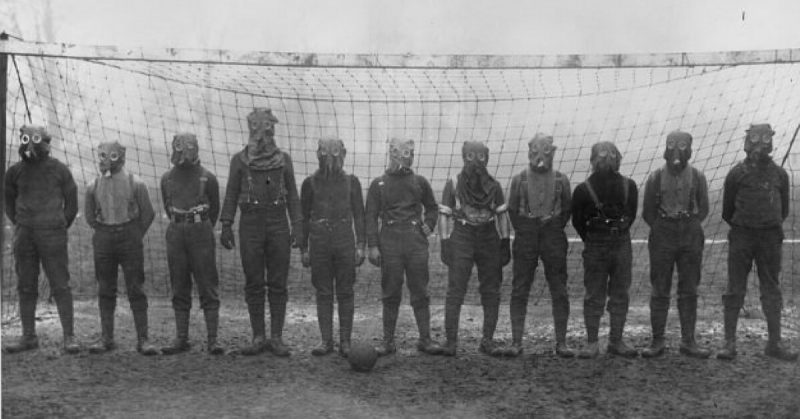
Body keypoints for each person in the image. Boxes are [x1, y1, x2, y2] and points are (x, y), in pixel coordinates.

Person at [220, 108, 302, 357]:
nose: (265, 134)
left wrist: (297, 224)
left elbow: (293, 195)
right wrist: (226, 223)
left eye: (269, 128)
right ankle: (258, 336)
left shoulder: (284, 160)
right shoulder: (240, 161)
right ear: (251, 130)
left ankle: (276, 338)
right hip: (251, 224)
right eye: (260, 129)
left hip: (278, 223)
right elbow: (232, 193)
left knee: (278, 281)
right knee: (254, 281)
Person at [717, 124, 797, 361]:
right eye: (754, 138)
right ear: (747, 141)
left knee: (771, 288)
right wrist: (745, 225)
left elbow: (783, 210)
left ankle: (774, 343)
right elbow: (727, 210)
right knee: (735, 288)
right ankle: (729, 343)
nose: (759, 144)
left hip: (770, 238)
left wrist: (765, 226)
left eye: (764, 139)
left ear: (771, 141)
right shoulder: (736, 173)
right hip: (742, 236)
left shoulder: (779, 174)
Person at [3, 125, 80, 354]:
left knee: (60, 284)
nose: (30, 145)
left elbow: (72, 203)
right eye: (26, 140)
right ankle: (28, 337)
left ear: (46, 142)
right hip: (25, 235)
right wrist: (22, 223)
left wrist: (58, 224)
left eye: (35, 140)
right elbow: (9, 204)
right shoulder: (14, 172)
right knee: (26, 285)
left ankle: (69, 337)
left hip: (52, 235)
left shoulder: (60, 170)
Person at [365, 138, 443, 356]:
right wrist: (373, 245)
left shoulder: (419, 182)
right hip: (389, 240)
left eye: (410, 153)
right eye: (401, 153)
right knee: (390, 291)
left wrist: (428, 225)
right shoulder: (378, 184)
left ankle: (425, 339)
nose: (406, 157)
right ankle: (388, 342)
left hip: (415, 242)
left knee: (420, 290)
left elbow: (432, 207)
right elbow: (370, 216)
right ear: (392, 154)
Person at [641, 131, 711, 358]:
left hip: (690, 233)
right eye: (672, 145)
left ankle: (689, 341)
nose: (676, 151)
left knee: (689, 288)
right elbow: (647, 213)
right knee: (660, 288)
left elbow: (704, 209)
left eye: (682, 145)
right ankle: (657, 341)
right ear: (666, 148)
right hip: (663, 232)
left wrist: (688, 223)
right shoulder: (655, 177)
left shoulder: (698, 177)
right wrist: (664, 226)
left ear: (689, 148)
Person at [438, 141, 511, 357]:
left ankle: (487, 340)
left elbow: (502, 215)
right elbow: (444, 213)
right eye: (470, 156)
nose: (476, 162)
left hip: (488, 236)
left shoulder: (495, 186)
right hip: (462, 235)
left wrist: (505, 242)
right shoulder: (453, 183)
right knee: (456, 288)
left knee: (491, 289)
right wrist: (444, 242)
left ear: (486, 158)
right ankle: (451, 342)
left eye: (481, 156)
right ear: (464, 157)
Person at [85, 141, 158, 355]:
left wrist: (134, 235)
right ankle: (106, 338)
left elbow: (148, 213)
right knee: (105, 288)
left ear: (122, 157)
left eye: (112, 155)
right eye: (102, 155)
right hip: (104, 239)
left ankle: (143, 339)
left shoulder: (136, 183)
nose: (106, 160)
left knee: (136, 288)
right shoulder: (93, 185)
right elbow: (89, 216)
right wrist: (104, 231)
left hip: (129, 237)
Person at [506, 133, 574, 358]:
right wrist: (528, 227)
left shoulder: (562, 180)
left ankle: (561, 342)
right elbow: (513, 211)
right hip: (526, 236)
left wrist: (550, 226)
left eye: (546, 150)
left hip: (553, 237)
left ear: (553, 152)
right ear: (529, 152)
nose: (540, 156)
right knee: (520, 289)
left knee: (559, 289)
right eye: (535, 150)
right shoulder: (519, 179)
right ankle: (516, 341)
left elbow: (566, 211)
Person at [299, 137, 366, 357]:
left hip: (344, 238)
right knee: (323, 291)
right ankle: (326, 340)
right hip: (319, 240)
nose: (330, 158)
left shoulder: (352, 182)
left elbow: (359, 214)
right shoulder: (309, 183)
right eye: (325, 153)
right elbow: (303, 216)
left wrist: (360, 246)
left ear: (344, 154)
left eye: (335, 153)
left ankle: (345, 341)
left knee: (346, 290)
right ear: (317, 154)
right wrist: (303, 249)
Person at [571, 141, 639, 358]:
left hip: (622, 244)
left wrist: (616, 232)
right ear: (592, 160)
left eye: (611, 154)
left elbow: (631, 213)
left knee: (620, 293)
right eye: (601, 155)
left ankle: (616, 341)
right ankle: (592, 343)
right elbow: (577, 221)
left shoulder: (630, 186)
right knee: (594, 294)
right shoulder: (582, 190)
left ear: (618, 158)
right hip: (595, 246)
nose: (606, 159)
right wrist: (593, 238)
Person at [159, 133, 224, 355]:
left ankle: (213, 339)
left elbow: (214, 209)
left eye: (189, 146)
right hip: (176, 232)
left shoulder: (208, 178)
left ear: (196, 148)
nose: (184, 151)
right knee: (179, 283)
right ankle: (181, 337)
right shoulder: (166, 178)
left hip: (201, 232)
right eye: (180, 146)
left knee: (207, 282)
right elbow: (167, 205)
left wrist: (201, 226)